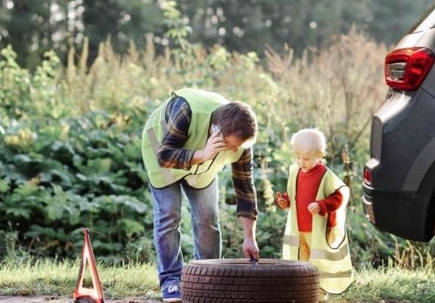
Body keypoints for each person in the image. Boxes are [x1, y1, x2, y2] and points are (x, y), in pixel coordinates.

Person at [141, 88, 260, 302]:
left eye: (238, 147)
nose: (234, 152)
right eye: (231, 146)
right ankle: (171, 281)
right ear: (216, 130)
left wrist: (249, 237)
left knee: (208, 218)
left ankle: (208, 277)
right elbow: (165, 156)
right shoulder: (186, 110)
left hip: (202, 167)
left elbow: (244, 187)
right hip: (162, 152)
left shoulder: (241, 142)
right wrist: (204, 154)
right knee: (169, 215)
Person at [275, 128, 353, 300]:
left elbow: (339, 196)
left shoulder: (325, 175)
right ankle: (304, 292)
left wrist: (321, 204)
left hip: (317, 232)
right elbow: (292, 194)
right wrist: (284, 201)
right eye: (298, 157)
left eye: (306, 159)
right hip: (299, 231)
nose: (301, 162)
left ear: (320, 155)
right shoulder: (295, 171)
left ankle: (318, 293)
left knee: (317, 264)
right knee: (301, 263)